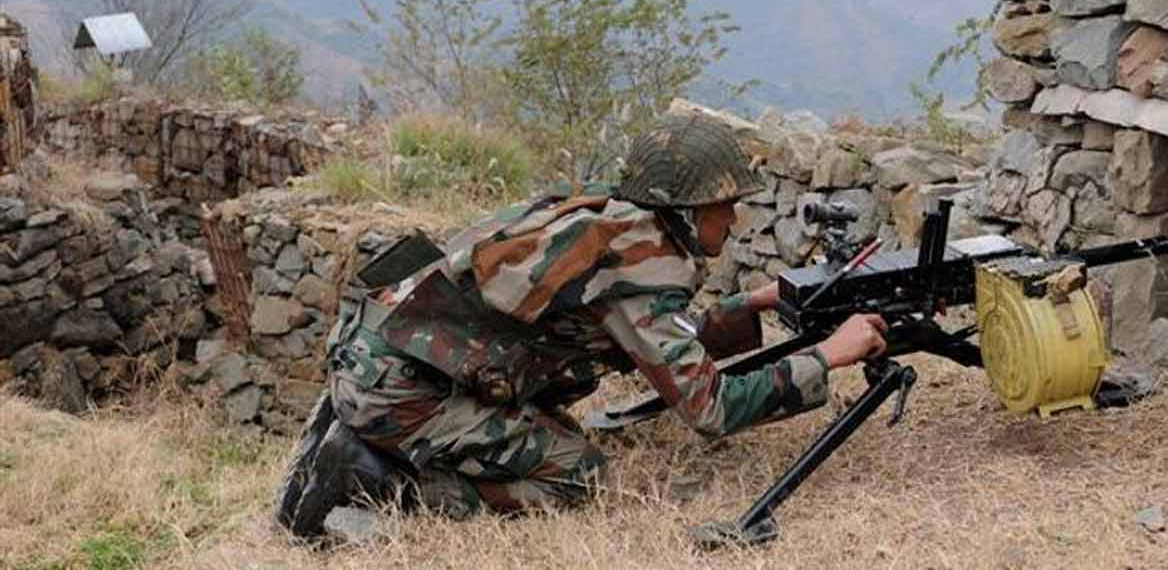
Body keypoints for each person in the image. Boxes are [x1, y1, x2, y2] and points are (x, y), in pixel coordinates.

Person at [275, 113, 888, 538]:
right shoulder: (640, 268)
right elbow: (711, 410)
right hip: (404, 388)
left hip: (384, 354)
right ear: (687, 209)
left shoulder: (609, 219)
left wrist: (751, 304)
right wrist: (830, 355)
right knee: (579, 477)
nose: (735, 219)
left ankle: (367, 431)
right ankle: (377, 480)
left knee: (556, 436)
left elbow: (658, 343)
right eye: (726, 204)